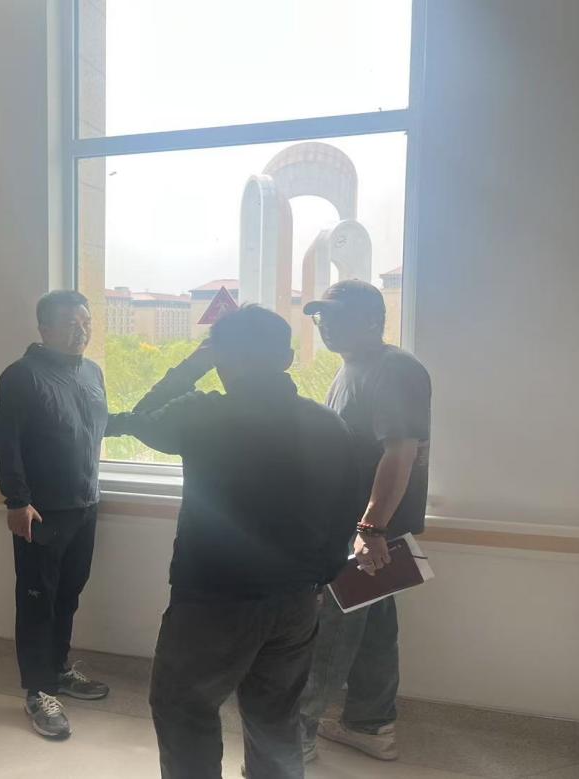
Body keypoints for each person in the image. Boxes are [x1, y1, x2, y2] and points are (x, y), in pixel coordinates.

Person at [106, 305, 361, 779]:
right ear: (287, 359)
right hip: (297, 602)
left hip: (212, 602)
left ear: (221, 357)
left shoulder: (203, 414)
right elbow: (348, 510)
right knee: (276, 718)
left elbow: (139, 417)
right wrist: (320, 577)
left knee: (184, 709)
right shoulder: (329, 425)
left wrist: (193, 365)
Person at [298, 280, 432, 763]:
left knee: (331, 631)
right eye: (321, 316)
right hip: (365, 528)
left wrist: (371, 529)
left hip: (369, 532)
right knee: (373, 628)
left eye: (338, 316)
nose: (326, 325)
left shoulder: (394, 370)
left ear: (374, 320)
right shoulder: (354, 368)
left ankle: (297, 736)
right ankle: (370, 725)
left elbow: (401, 452)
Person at [0, 290, 111, 740]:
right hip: (39, 512)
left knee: (69, 594)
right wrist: (16, 500)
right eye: (69, 323)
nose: (81, 330)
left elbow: (96, 425)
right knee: (37, 599)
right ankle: (38, 692)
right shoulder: (21, 376)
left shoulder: (92, 372)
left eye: (86, 322)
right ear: (44, 328)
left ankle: (58, 669)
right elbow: (6, 442)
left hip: (84, 504)